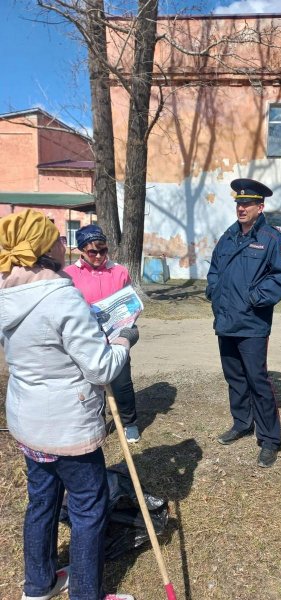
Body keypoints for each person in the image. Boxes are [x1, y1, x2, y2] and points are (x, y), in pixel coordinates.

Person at [0, 209, 137, 600]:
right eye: (58, 238)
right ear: (45, 248)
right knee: (88, 509)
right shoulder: (62, 296)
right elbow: (100, 368)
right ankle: (85, 594)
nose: (66, 243)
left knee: (41, 500)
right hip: (66, 426)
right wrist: (124, 338)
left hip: (28, 422)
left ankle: (38, 585)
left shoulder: (6, 291)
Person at [206, 178, 281, 468]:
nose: (241, 208)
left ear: (260, 206)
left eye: (247, 203)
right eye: (238, 203)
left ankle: (270, 440)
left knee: (257, 380)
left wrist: (252, 298)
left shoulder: (271, 238)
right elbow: (214, 270)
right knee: (234, 378)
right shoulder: (228, 236)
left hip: (252, 323)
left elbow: (280, 279)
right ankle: (242, 422)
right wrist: (215, 294)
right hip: (226, 320)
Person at [65, 224, 140, 443]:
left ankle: (130, 422)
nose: (99, 256)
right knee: (90, 383)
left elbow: (129, 302)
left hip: (116, 336)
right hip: (86, 338)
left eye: (103, 250)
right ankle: (96, 420)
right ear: (81, 250)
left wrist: (130, 318)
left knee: (122, 381)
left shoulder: (119, 271)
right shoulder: (69, 275)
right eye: (92, 252)